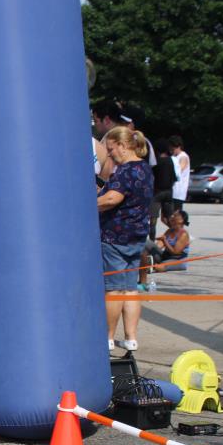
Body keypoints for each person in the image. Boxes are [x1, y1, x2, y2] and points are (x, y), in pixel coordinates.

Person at [98, 126, 153, 352]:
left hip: (115, 237)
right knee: (130, 289)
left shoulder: (125, 171)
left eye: (111, 150)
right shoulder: (145, 168)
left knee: (113, 290)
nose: (110, 155)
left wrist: (89, 204)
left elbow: (112, 198)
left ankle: (108, 338)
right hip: (137, 236)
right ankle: (131, 338)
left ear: (122, 145)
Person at [139, 209, 191, 285]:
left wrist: (165, 240)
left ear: (181, 220)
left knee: (159, 267)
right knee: (147, 243)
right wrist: (152, 249)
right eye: (172, 215)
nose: (172, 217)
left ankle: (149, 266)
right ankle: (145, 262)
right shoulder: (169, 231)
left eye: (175, 215)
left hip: (177, 260)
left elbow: (175, 252)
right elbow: (159, 245)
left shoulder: (184, 234)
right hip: (166, 256)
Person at [150, 137, 177, 236]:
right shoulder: (170, 161)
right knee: (169, 218)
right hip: (169, 192)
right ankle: (177, 235)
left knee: (153, 220)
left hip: (157, 192)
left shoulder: (156, 161)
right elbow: (174, 177)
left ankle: (152, 240)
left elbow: (151, 177)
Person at [169, 135, 190, 212]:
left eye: (173, 148)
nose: (171, 150)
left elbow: (178, 171)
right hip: (172, 190)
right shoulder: (173, 156)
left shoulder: (183, 157)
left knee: (176, 214)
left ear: (179, 147)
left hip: (178, 191)